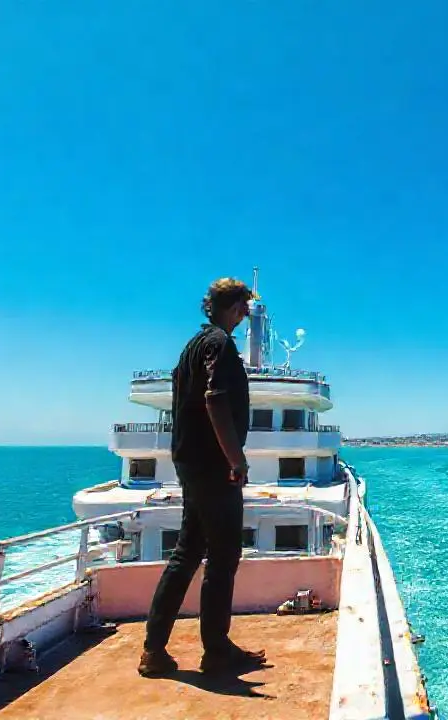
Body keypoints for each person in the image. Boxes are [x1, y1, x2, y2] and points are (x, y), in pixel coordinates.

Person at [138, 277, 267, 677]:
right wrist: (236, 460)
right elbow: (215, 399)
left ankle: (154, 650)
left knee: (187, 552)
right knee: (224, 555)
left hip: (190, 463)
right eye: (244, 307)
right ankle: (216, 651)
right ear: (235, 307)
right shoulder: (220, 345)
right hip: (213, 466)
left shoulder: (192, 346)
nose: (246, 314)